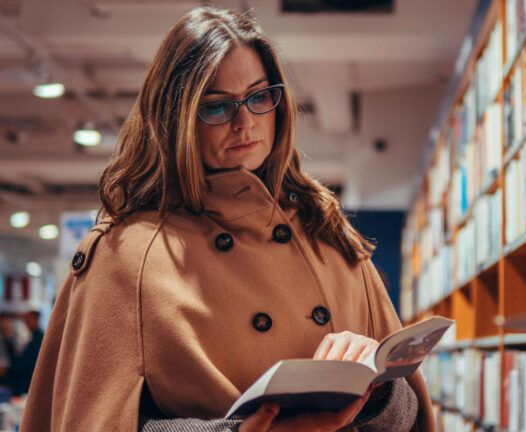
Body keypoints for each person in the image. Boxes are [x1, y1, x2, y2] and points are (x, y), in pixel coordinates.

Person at [22, 7, 433, 432]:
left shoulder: (327, 234)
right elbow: (97, 421)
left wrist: (378, 391)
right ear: (174, 118)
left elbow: (410, 418)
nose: (245, 123)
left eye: (258, 97)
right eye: (217, 108)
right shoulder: (127, 254)